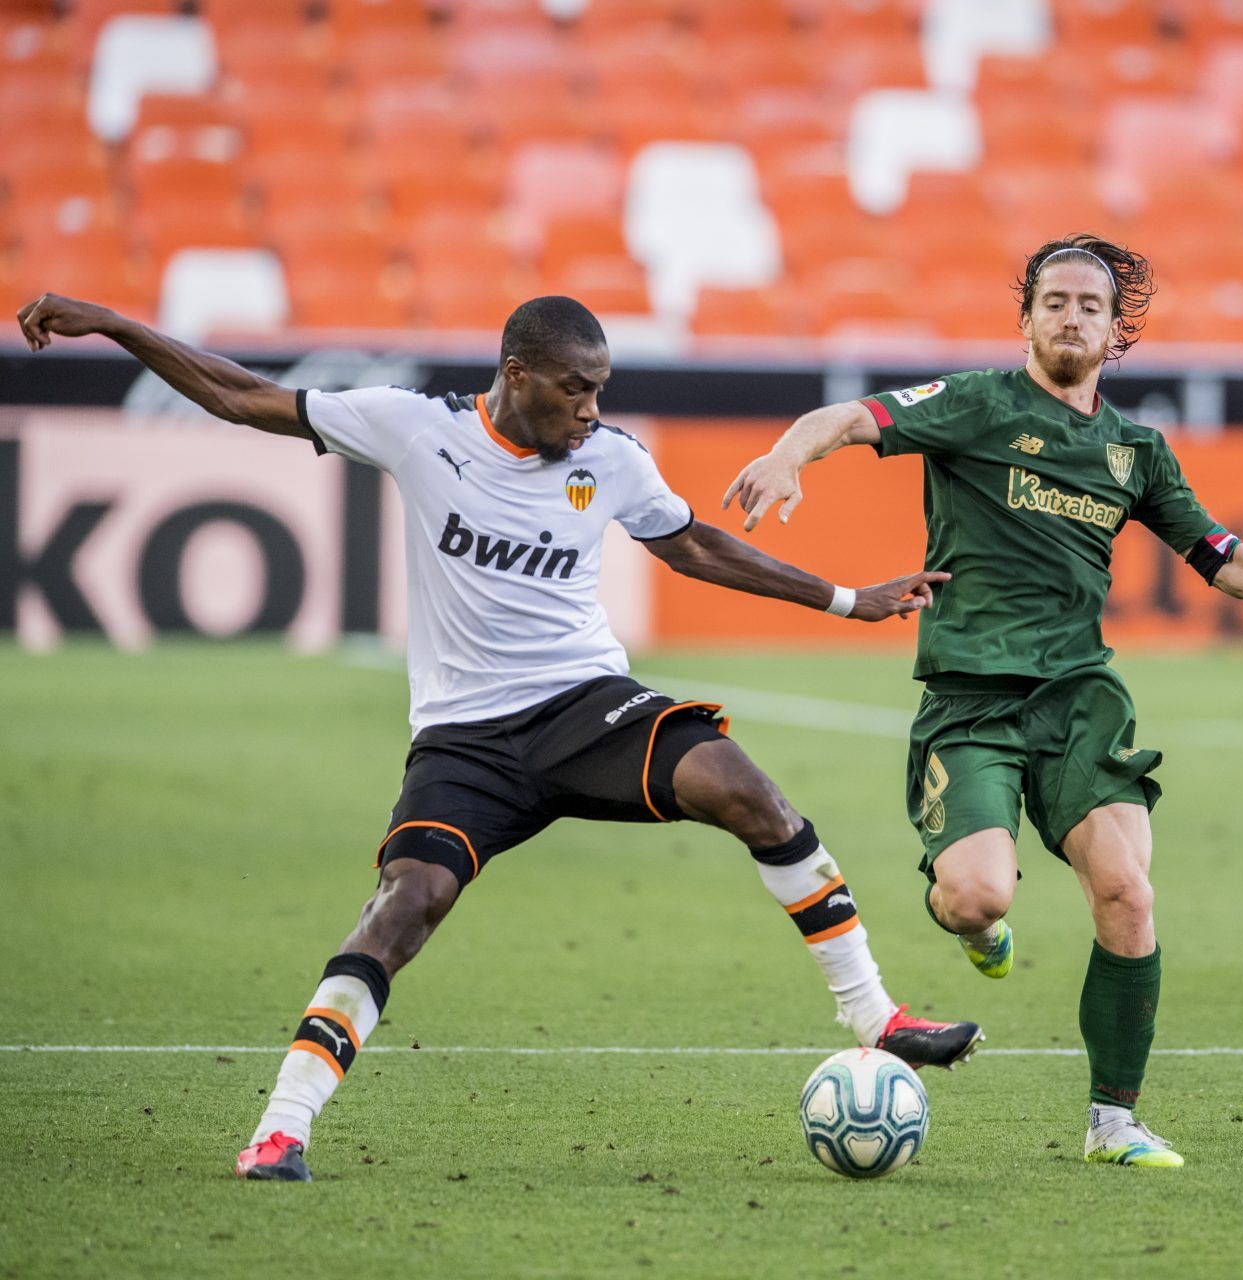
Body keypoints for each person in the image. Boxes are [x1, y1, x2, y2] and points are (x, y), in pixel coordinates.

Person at [14, 291, 985, 1181]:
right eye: (575, 389)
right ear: (517, 375)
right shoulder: (413, 427)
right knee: (408, 902)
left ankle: (876, 1015)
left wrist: (851, 598)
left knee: (748, 790)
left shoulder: (609, 459)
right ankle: (282, 1126)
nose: (591, 409)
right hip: (465, 739)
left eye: (601, 390)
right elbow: (239, 395)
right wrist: (112, 321)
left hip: (584, 705)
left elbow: (690, 543)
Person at [722, 234, 1243, 1168]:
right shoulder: (977, 403)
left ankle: (1114, 1125)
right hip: (972, 700)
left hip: (1079, 701)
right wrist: (786, 457)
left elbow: (1219, 558)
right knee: (975, 897)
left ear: (1113, 333)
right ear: (1026, 318)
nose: (1070, 317)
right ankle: (977, 922)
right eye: (1053, 301)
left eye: (1089, 306)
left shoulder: (1135, 450)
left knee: (1128, 895)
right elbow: (849, 416)